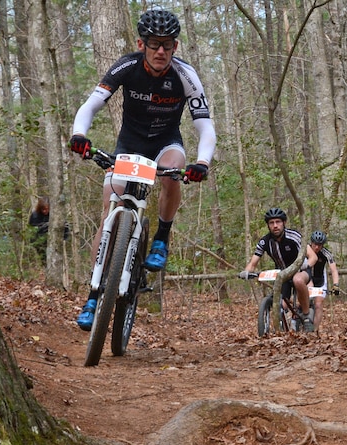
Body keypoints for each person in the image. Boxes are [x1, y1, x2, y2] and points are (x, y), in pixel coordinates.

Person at [68, 8, 216, 330]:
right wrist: (79, 135)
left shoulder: (185, 75)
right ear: (141, 43)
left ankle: (161, 238)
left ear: (175, 47)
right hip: (130, 146)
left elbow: (205, 127)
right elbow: (92, 104)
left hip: (166, 144)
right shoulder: (126, 66)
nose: (160, 50)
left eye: (167, 44)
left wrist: (202, 163)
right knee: (110, 208)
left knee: (173, 169)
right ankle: (94, 294)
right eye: (153, 44)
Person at [239, 208, 313, 331]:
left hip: (301, 271)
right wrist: (246, 272)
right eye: (271, 223)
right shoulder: (264, 241)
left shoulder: (294, 236)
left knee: (298, 280)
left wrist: (305, 265)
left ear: (284, 223)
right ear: (268, 225)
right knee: (280, 303)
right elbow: (253, 263)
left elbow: (313, 256)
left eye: (278, 222)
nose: (275, 226)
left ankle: (306, 317)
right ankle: (281, 324)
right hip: (282, 274)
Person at [298, 230, 340, 331]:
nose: (317, 247)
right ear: (311, 242)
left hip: (319, 280)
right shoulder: (304, 250)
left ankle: (315, 331)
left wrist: (336, 285)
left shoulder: (326, 254)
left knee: (318, 304)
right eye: (315, 244)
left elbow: (334, 270)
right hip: (306, 278)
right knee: (299, 302)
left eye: (319, 245)